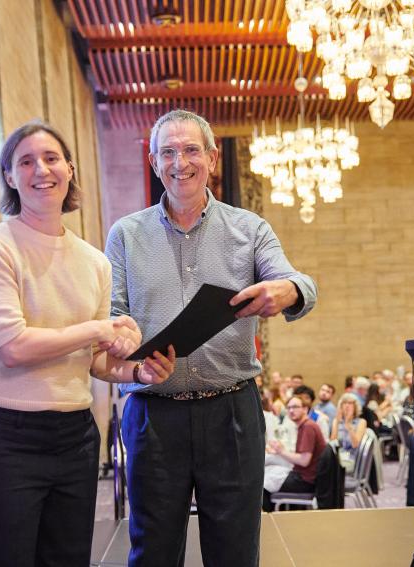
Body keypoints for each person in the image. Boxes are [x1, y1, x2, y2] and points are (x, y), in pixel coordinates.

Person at [0, 121, 175, 567]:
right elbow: (14, 347)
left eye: (51, 158)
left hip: (75, 436)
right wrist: (100, 329)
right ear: (9, 176)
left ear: (70, 170)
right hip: (5, 437)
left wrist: (137, 371)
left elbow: (95, 362)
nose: (41, 170)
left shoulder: (94, 262)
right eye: (26, 161)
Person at [105, 109, 317, 567]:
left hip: (231, 411)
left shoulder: (250, 228)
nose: (179, 162)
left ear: (213, 158)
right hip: (153, 414)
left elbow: (299, 283)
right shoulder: (125, 235)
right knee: (153, 551)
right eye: (167, 152)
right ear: (153, 162)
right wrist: (129, 355)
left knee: (235, 551)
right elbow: (113, 316)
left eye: (190, 150)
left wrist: (288, 289)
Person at [262, 396, 327, 511]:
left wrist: (281, 451)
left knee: (260, 485)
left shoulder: (308, 427)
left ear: (305, 409)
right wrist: (280, 451)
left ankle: (272, 518)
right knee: (267, 473)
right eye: (289, 408)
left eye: (295, 407)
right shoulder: (305, 426)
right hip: (304, 476)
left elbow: (304, 461)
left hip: (305, 481)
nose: (291, 410)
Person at [331, 392, 368, 471]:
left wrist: (348, 426)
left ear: (355, 406)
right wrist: (336, 423)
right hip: (337, 457)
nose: (347, 405)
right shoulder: (336, 421)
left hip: (352, 458)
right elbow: (333, 443)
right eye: (344, 403)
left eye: (350, 403)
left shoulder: (361, 422)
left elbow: (355, 445)